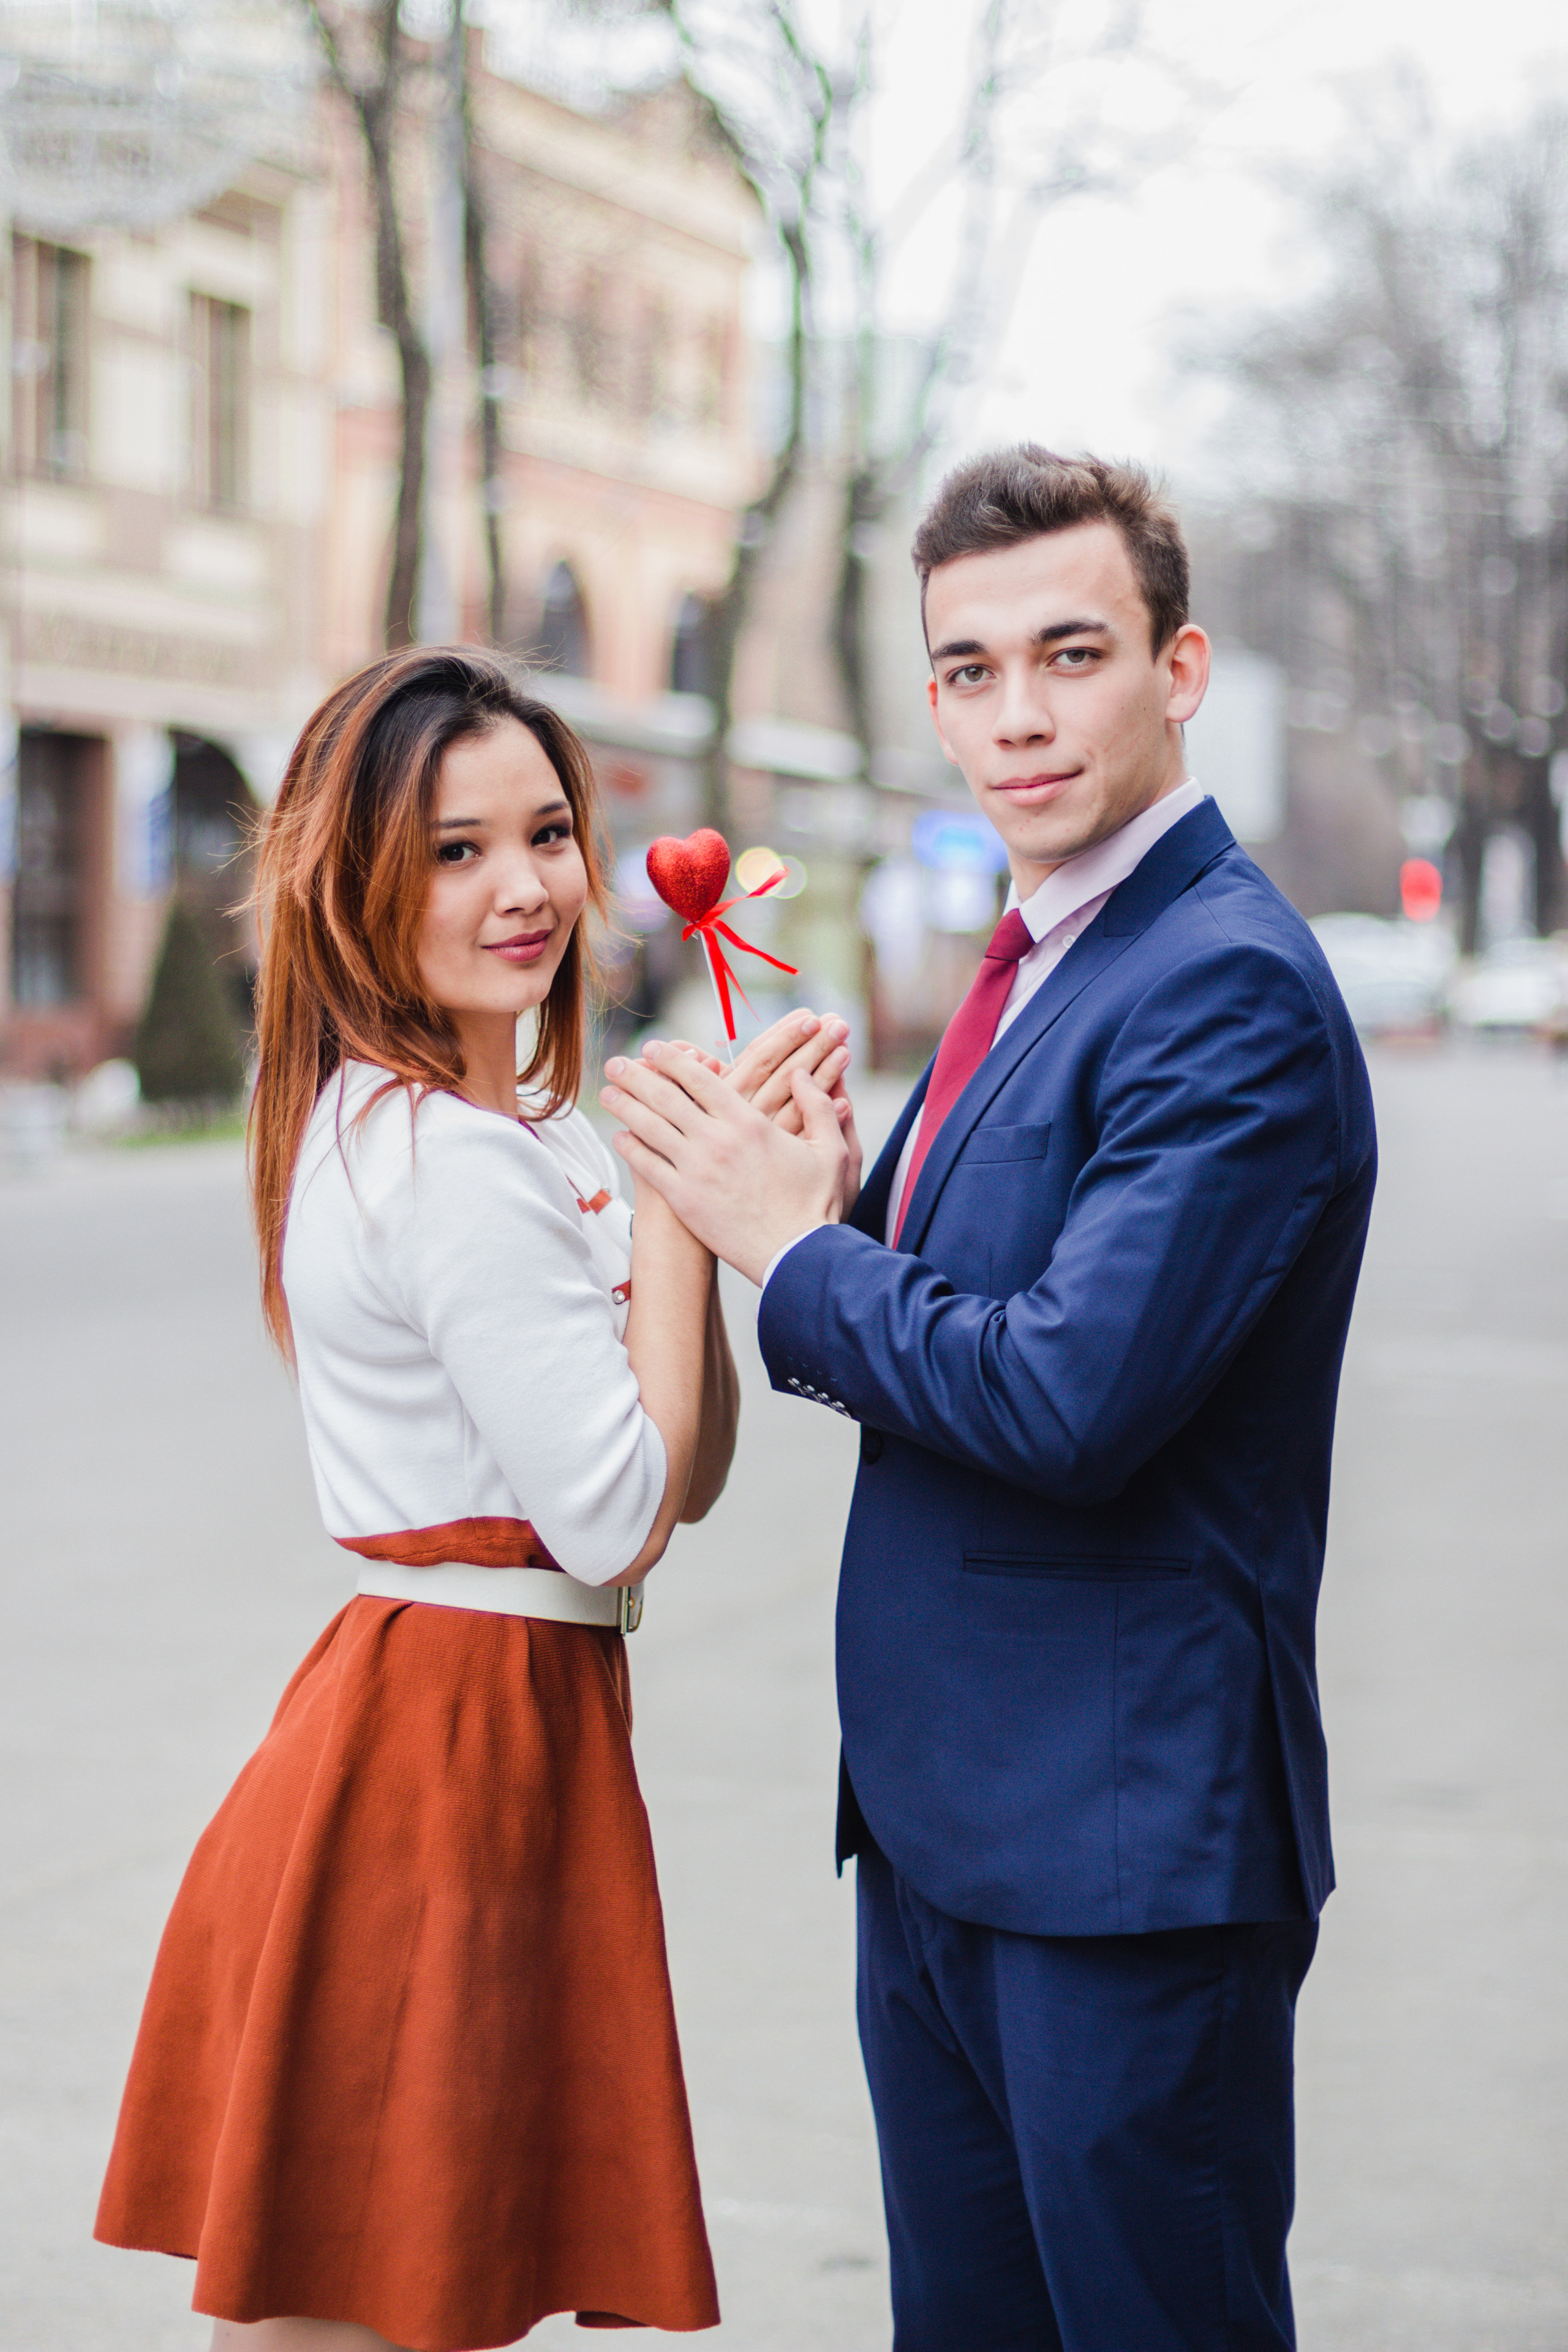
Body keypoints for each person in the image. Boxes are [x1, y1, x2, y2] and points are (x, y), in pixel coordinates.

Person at [600, 448, 1378, 2351]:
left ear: (1177, 671)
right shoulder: (1038, 959)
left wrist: (797, 1247)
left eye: (1070, 653)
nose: (1016, 717)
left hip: (1122, 1855)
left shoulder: (1225, 987)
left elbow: (1070, 1398)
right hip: (947, 1831)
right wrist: (837, 1200)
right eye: (968, 669)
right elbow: (971, 1306)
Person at [94, 644, 851, 2352]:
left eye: (547, 833)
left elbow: (685, 1472)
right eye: (454, 849)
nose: (523, 888)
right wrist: (678, 1203)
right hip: (440, 1757)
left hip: (475, 1730)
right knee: (377, 2290)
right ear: (363, 882)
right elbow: (620, 1519)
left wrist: (715, 1222)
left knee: (380, 2287)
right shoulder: (455, 1165)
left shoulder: (519, 1134)